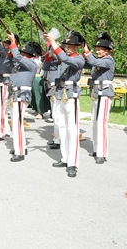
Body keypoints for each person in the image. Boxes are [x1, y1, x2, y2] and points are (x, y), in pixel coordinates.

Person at [44, 30, 86, 178]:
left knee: (72, 130)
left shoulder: (79, 59)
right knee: (61, 128)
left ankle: (73, 163)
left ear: (77, 47)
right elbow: (47, 65)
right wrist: (49, 47)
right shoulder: (64, 58)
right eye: (66, 45)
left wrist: (53, 42)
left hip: (71, 95)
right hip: (60, 93)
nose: (66, 48)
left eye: (70, 45)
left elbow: (63, 57)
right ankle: (65, 158)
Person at [83, 32, 115, 165]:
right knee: (95, 123)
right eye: (97, 49)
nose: (98, 51)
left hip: (105, 93)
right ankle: (96, 149)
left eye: (101, 49)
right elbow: (88, 63)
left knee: (101, 124)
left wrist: (87, 51)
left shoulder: (108, 60)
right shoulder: (99, 61)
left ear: (107, 51)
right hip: (96, 93)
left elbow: (93, 61)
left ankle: (102, 153)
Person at [7, 37, 41, 162]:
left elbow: (18, 58)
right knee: (16, 122)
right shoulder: (22, 63)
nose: (21, 55)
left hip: (23, 94)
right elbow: (8, 61)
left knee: (18, 123)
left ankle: (20, 151)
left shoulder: (32, 63)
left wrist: (13, 43)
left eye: (24, 53)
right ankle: (20, 146)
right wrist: (11, 50)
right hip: (16, 93)